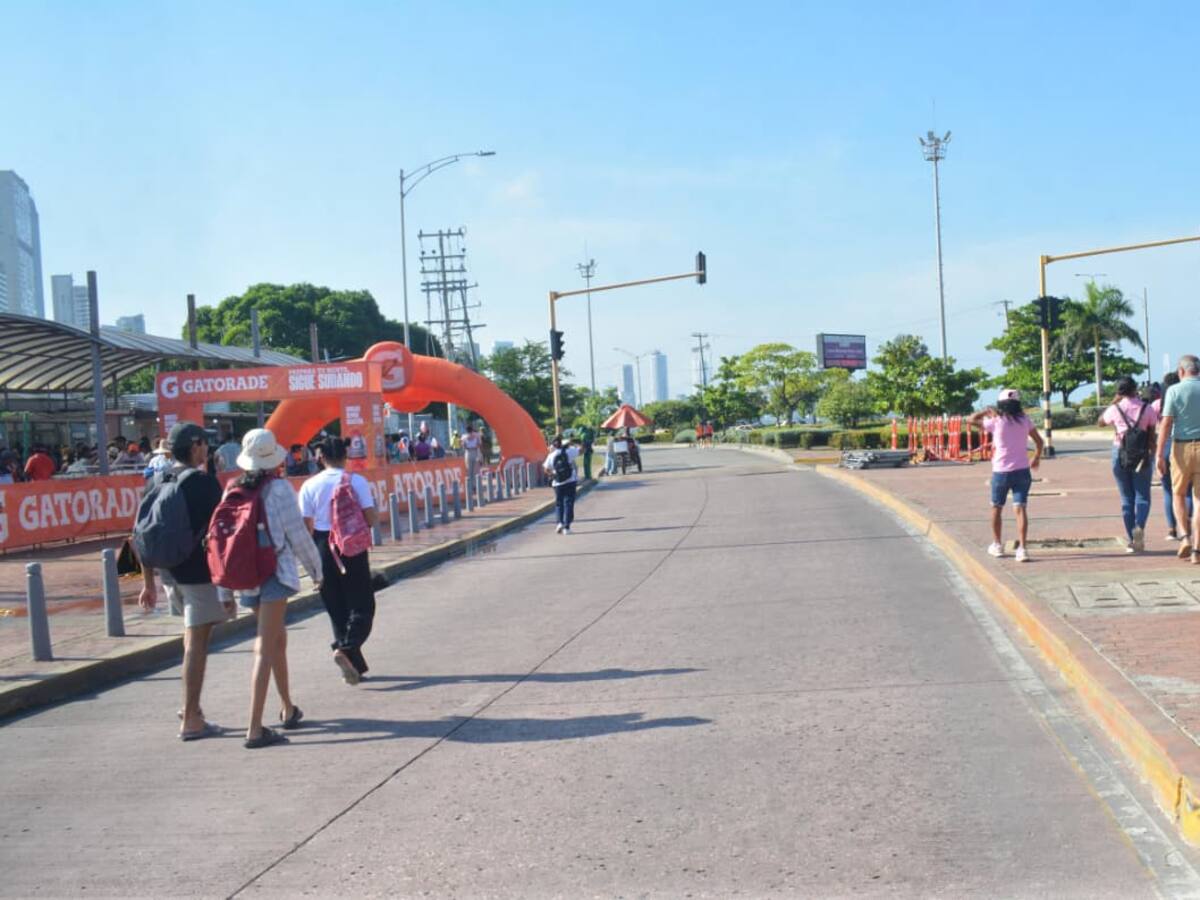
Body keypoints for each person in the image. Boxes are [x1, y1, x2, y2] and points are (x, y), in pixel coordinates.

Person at [220, 429, 323, 749]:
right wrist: (318, 571)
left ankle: (288, 707)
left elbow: (219, 543)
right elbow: (298, 536)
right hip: (275, 573)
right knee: (265, 645)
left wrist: (224, 591)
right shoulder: (279, 490)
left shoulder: (231, 489)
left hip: (245, 576)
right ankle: (254, 727)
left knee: (277, 639)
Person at [137, 422, 233, 740]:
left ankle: (189, 707)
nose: (208, 450)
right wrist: (227, 586)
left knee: (191, 639)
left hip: (169, 574)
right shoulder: (203, 484)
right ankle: (191, 717)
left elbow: (137, 535)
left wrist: (148, 583)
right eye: (205, 444)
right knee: (197, 644)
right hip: (198, 575)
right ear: (195, 447)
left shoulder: (156, 481)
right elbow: (222, 535)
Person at [300, 436, 380, 685]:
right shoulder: (356, 481)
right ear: (345, 456)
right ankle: (346, 649)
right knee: (363, 606)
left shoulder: (309, 486)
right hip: (350, 546)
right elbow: (371, 518)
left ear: (320, 457)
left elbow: (306, 526)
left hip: (322, 547)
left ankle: (353, 668)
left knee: (337, 609)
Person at [967, 389, 1044, 562]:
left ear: (1000, 405)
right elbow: (1040, 441)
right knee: (1020, 508)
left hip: (1001, 471)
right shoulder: (1025, 421)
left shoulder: (995, 421)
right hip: (1022, 471)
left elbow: (970, 420)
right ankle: (1023, 549)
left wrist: (985, 411)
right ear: (1018, 404)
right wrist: (1036, 458)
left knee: (996, 507)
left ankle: (997, 545)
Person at [1099, 376, 1159, 553]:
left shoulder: (1115, 408)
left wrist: (1114, 401)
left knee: (1126, 498)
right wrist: (1152, 454)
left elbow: (1100, 422)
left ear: (1119, 391)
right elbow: (1151, 433)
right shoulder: (1147, 408)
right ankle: (1139, 527)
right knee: (1143, 496)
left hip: (1120, 453)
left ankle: (1132, 539)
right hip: (1141, 456)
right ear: (1135, 390)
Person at [1156, 354, 1200, 562]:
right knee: (1199, 499)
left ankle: (1184, 537)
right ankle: (1197, 551)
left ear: (1181, 371)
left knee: (1178, 494)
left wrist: (1159, 455)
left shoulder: (1174, 390)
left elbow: (1166, 424)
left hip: (1181, 447)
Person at [1157, 371, 1193, 540]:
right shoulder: (1189, 395)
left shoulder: (1162, 401)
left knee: (1170, 491)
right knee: (1191, 493)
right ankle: (1190, 529)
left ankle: (1173, 530)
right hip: (1191, 443)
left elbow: (1164, 425)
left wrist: (1158, 454)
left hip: (1173, 445)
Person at [543, 435, 580, 535]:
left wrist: (554, 475)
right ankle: (566, 528)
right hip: (570, 481)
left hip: (557, 483)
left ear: (552, 445)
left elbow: (546, 469)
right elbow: (581, 450)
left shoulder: (551, 455)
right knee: (568, 503)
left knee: (559, 503)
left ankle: (559, 523)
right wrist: (573, 443)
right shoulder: (569, 451)